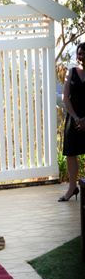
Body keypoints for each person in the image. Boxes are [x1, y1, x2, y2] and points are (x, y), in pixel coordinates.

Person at [58, 42, 85, 201]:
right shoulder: (71, 72)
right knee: (71, 153)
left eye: (84, 53)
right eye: (79, 53)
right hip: (73, 118)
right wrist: (76, 118)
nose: (81, 56)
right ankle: (72, 188)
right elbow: (65, 97)